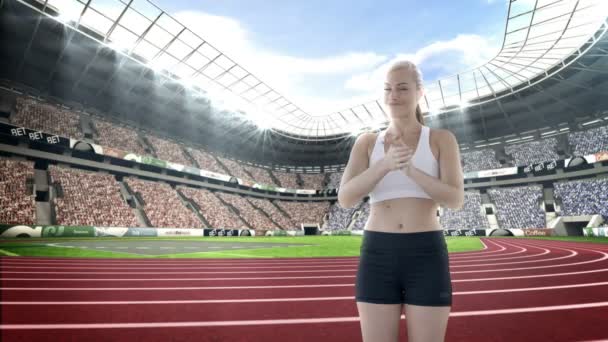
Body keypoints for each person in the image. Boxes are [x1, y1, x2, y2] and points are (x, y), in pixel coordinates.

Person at [338, 60, 464, 342]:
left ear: (420, 92)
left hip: (426, 253)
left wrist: (411, 171)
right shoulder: (367, 142)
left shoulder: (442, 139)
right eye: (388, 89)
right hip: (377, 254)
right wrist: (384, 165)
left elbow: (455, 199)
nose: (393, 95)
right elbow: (346, 197)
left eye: (403, 88)